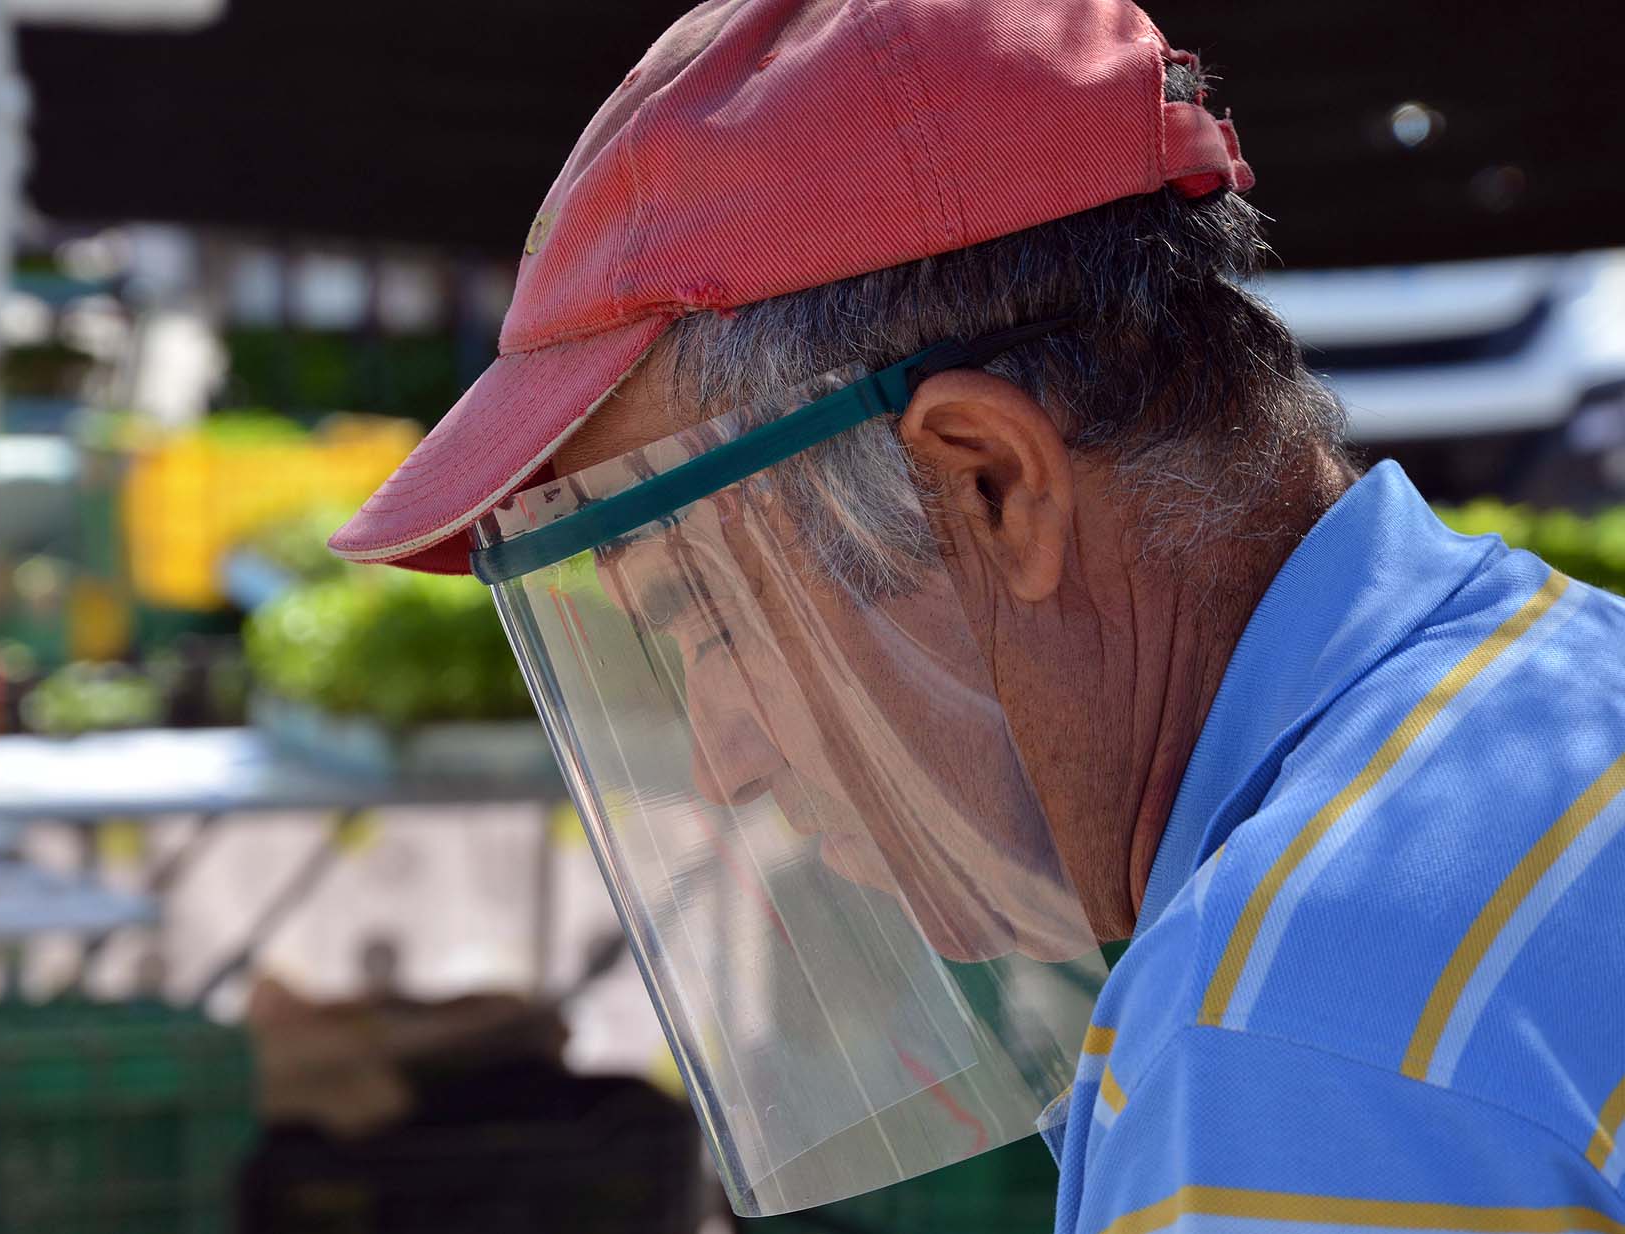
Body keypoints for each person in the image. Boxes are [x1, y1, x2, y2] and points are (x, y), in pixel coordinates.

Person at [332, 0, 1625, 1228]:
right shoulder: (1561, 677)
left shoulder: (1281, 1032)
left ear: (992, 485)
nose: (719, 761)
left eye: (712, 617)